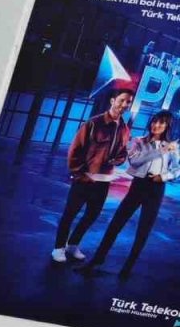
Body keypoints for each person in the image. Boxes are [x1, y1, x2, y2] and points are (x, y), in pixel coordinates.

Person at [82, 109, 178, 279]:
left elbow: (177, 169)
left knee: (143, 231)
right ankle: (97, 260)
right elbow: (135, 161)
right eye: (155, 121)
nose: (156, 125)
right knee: (115, 224)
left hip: (156, 188)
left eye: (161, 123)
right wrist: (159, 151)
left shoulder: (173, 147)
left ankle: (127, 269)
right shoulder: (138, 141)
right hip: (138, 186)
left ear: (167, 126)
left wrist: (163, 176)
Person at [55, 87, 133, 263]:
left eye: (128, 102)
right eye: (122, 100)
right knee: (70, 214)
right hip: (84, 179)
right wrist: (79, 174)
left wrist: (119, 160)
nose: (124, 105)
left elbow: (122, 153)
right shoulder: (93, 123)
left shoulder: (124, 129)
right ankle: (58, 248)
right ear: (112, 101)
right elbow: (75, 150)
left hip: (104, 181)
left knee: (92, 215)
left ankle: (73, 245)